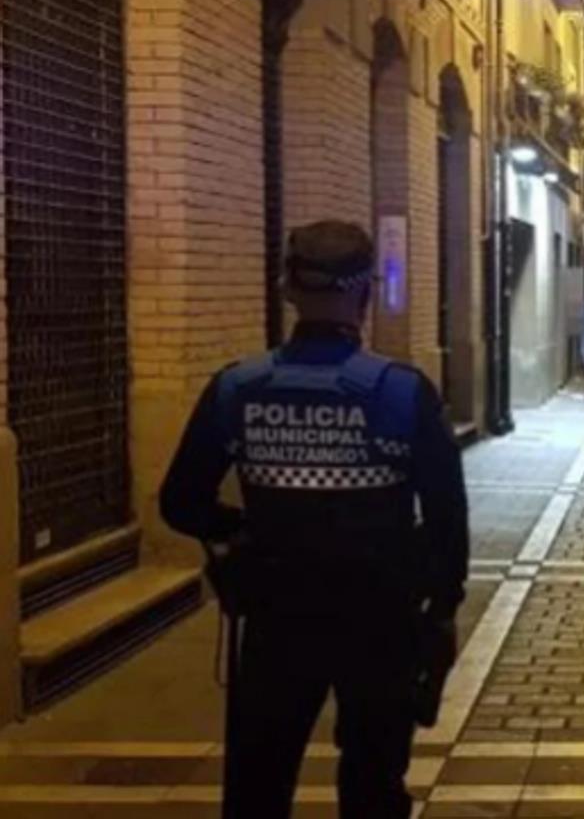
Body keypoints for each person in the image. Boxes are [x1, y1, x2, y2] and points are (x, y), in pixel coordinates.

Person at [159, 220, 468, 819]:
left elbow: (180, 501)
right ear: (365, 293)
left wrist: (238, 532)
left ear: (287, 289)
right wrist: (442, 608)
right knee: (373, 784)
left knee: (259, 785)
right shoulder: (403, 394)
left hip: (277, 619)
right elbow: (446, 518)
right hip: (380, 621)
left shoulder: (237, 389)